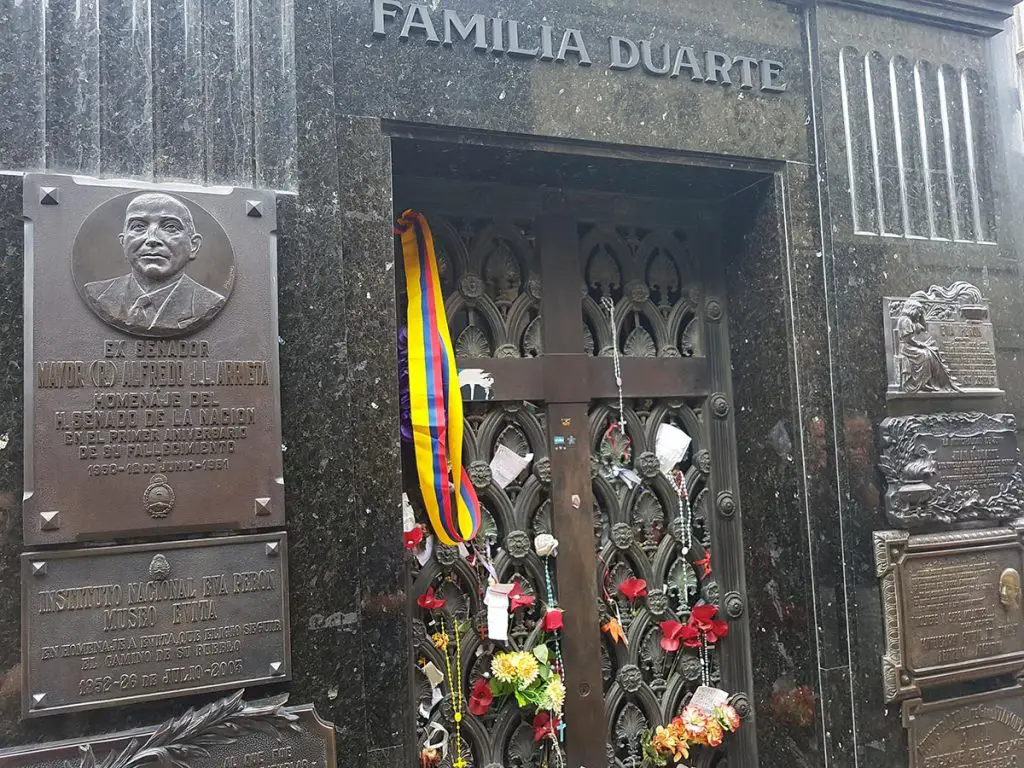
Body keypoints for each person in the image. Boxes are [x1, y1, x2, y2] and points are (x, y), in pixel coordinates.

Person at [83, 192, 226, 336]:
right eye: (138, 226)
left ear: (193, 246)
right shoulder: (98, 294)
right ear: (123, 242)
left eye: (170, 227)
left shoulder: (208, 302)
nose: (152, 239)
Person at [894, 298, 959, 393]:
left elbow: (924, 328)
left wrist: (921, 317)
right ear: (912, 310)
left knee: (932, 351)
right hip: (906, 348)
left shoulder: (912, 321)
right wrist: (919, 345)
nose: (919, 314)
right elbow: (907, 339)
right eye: (918, 312)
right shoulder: (905, 320)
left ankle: (930, 382)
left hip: (910, 346)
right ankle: (917, 383)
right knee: (925, 355)